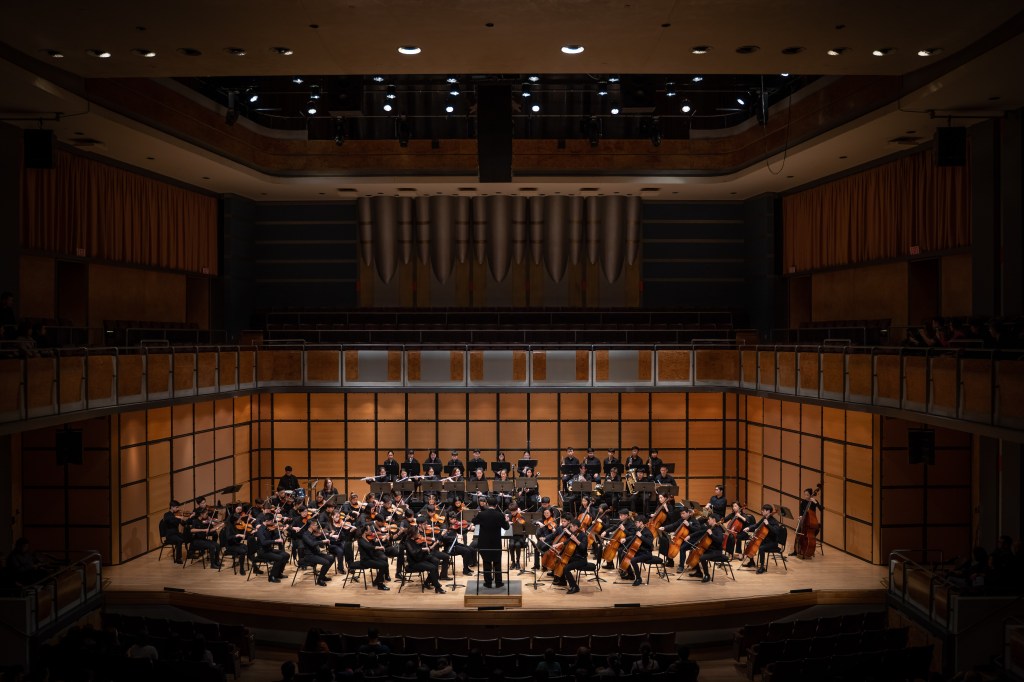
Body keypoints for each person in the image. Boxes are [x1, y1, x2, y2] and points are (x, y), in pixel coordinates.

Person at [474, 496, 509, 588]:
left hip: (484, 542)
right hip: (496, 542)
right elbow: (506, 527)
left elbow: (474, 521)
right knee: (497, 562)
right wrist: (507, 521)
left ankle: (488, 583)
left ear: (487, 504)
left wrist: (478, 516)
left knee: (486, 562)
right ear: (496, 505)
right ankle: (498, 582)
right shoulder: (500, 515)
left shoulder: (481, 514)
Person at [744, 504, 782, 573]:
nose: (762, 511)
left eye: (763, 510)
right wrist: (749, 528)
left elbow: (775, 532)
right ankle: (751, 562)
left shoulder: (774, 521)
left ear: (768, 511)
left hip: (772, 542)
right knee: (749, 543)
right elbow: (757, 525)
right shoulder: (764, 518)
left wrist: (768, 524)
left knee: (761, 548)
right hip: (765, 540)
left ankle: (762, 567)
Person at [297, 520, 335, 586]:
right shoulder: (305, 535)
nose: (317, 526)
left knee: (331, 558)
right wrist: (322, 541)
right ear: (310, 526)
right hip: (309, 555)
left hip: (316, 553)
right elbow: (312, 544)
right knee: (326, 562)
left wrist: (327, 536)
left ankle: (322, 576)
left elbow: (318, 539)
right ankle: (319, 580)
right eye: (315, 525)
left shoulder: (313, 533)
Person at [256, 515, 289, 582]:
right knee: (279, 558)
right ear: (266, 521)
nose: (273, 522)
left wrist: (281, 530)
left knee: (286, 555)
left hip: (269, 550)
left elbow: (274, 537)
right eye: (272, 521)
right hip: (263, 552)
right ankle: (272, 576)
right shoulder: (260, 530)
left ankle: (279, 573)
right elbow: (264, 542)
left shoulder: (269, 528)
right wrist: (275, 541)